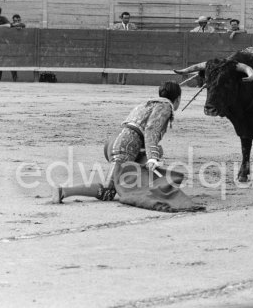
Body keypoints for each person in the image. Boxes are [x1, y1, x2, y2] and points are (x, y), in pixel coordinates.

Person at [51, 82, 203, 212]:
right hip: (126, 146)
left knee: (155, 155)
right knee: (108, 191)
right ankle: (64, 191)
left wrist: (153, 155)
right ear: (177, 99)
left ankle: (146, 186)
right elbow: (151, 130)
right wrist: (152, 158)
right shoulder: (165, 107)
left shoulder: (148, 103)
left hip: (118, 142)